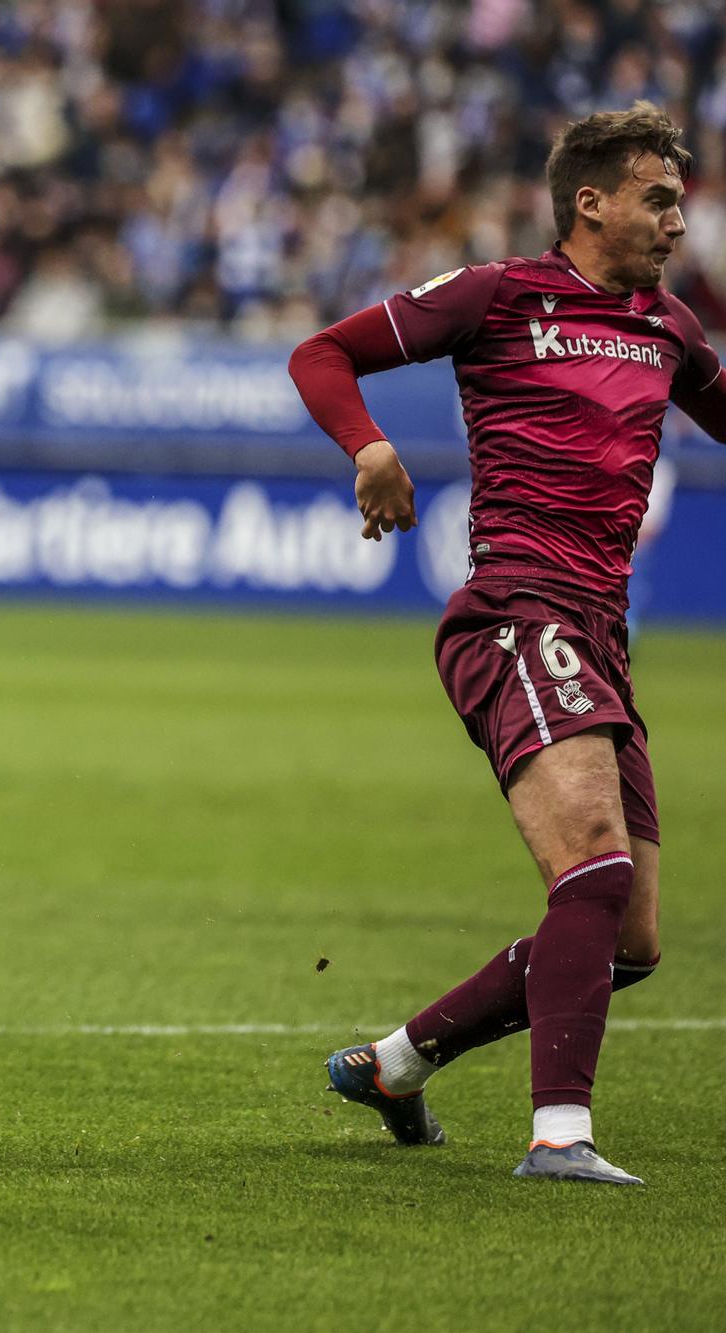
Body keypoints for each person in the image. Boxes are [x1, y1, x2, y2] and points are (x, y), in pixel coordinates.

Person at [288, 103, 726, 1185]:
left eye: (678, 199)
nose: (677, 220)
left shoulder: (665, 329)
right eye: (656, 198)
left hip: (600, 637)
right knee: (591, 861)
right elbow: (320, 355)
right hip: (516, 610)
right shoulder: (498, 295)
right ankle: (557, 1134)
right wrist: (371, 445)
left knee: (626, 939)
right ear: (588, 200)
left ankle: (394, 1063)